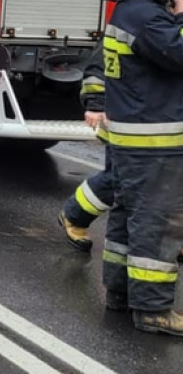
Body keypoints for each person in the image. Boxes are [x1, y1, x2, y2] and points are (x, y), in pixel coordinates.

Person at [99, 0, 183, 334]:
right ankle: (153, 309)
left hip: (134, 141)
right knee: (157, 224)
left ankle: (119, 293)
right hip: (155, 144)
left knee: (127, 219)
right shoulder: (148, 18)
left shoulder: (130, 11)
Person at [57, 49, 116, 253]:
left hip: (169, 119)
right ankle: (74, 215)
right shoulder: (133, 19)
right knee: (121, 179)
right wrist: (96, 103)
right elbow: (101, 64)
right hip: (135, 121)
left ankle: (171, 237)